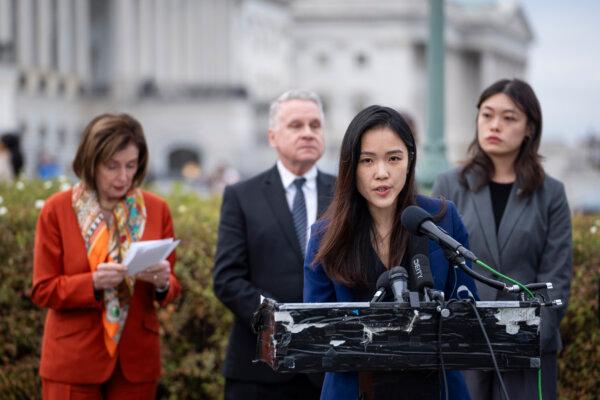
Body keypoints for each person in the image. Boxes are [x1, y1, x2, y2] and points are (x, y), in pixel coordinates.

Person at [304, 105, 479, 400]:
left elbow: (467, 310)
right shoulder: (325, 236)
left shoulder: (442, 218)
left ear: (410, 161)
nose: (382, 173)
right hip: (355, 390)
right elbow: (315, 335)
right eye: (367, 161)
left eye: (394, 159)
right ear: (350, 167)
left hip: (437, 388)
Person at [432, 78, 572, 400]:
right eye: (487, 115)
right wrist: (452, 332)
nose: (495, 125)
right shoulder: (449, 185)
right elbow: (436, 267)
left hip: (527, 347)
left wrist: (532, 335)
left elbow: (557, 275)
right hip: (463, 343)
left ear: (529, 129)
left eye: (509, 118)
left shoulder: (551, 194)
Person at [31, 113, 181, 399]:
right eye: (112, 166)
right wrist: (92, 283)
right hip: (72, 362)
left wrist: (163, 282)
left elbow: (172, 287)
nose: (123, 177)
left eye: (131, 165)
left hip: (136, 362)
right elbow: (42, 290)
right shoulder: (57, 210)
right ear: (91, 162)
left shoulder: (156, 209)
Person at [213, 89, 336, 400]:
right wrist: (278, 320)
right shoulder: (242, 196)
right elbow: (227, 279)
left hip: (330, 369)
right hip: (259, 372)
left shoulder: (345, 195)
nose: (308, 133)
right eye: (296, 126)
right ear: (272, 136)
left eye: (315, 125)